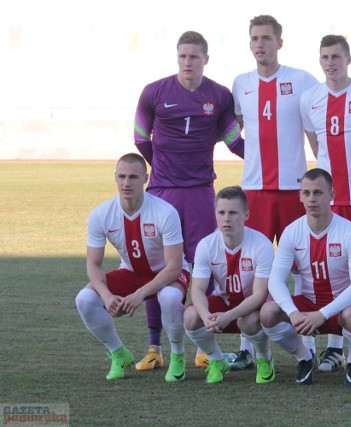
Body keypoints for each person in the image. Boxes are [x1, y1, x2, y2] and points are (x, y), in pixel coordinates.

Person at [133, 30, 248, 371]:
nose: (188, 62)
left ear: (206, 59)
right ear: (177, 58)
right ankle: (155, 348)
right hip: (162, 193)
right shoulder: (154, 92)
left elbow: (233, 140)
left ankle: (201, 344)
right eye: (183, 56)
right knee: (157, 267)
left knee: (203, 264)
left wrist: (265, 159)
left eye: (194, 56)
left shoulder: (219, 95)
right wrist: (164, 166)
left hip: (200, 192)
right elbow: (140, 138)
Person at [232, 15, 319, 369]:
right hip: (255, 191)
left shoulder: (301, 80)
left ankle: (314, 344)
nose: (260, 44)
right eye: (254, 38)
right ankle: (247, 348)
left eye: (266, 38)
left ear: (279, 42)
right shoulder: (240, 83)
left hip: (294, 190)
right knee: (249, 265)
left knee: (307, 266)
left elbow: (315, 131)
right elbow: (239, 125)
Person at [299, 35, 351, 374]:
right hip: (330, 201)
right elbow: (317, 146)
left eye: (336, 56)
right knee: (331, 269)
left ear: (349, 58)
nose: (330, 63)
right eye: (324, 57)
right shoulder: (310, 99)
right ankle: (334, 346)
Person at [75, 153, 190, 382]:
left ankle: (178, 357)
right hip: (131, 272)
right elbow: (93, 264)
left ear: (145, 179)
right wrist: (107, 296)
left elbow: (174, 266)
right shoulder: (101, 214)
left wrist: (139, 295)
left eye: (133, 177)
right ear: (115, 178)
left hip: (166, 273)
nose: (126, 183)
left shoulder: (165, 212)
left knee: (168, 298)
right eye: (122, 176)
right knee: (85, 300)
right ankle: (119, 354)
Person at [259, 168, 351, 386]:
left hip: (341, 307)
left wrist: (323, 314)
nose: (312, 199)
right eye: (306, 193)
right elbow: (275, 280)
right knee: (268, 312)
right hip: (308, 303)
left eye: (318, 192)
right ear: (300, 196)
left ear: (332, 195)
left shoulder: (350, 232)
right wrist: (292, 313)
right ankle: (305, 358)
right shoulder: (292, 232)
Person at [183, 186, 275, 384]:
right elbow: (197, 290)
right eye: (221, 212)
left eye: (233, 213)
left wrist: (229, 316)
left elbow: (260, 295)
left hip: (253, 308)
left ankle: (264, 358)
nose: (226, 218)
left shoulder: (261, 244)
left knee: (247, 321)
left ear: (246, 215)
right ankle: (217, 360)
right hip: (224, 302)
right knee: (191, 316)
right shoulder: (206, 245)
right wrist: (206, 316)